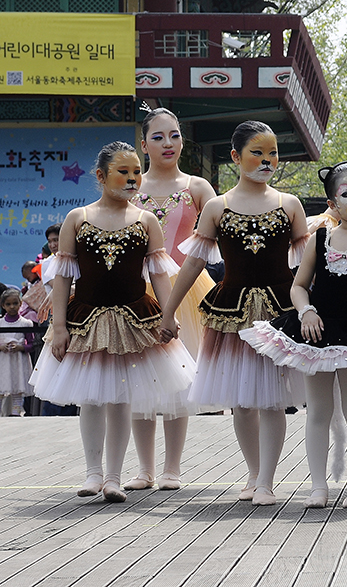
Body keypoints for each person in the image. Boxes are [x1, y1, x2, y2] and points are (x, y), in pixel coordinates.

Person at [32, 142, 194, 502]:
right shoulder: (78, 218)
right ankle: (92, 473)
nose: (133, 178)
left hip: (135, 320)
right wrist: (58, 327)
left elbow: (159, 275)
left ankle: (113, 477)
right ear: (101, 176)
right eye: (124, 172)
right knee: (91, 398)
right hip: (85, 319)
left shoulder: (145, 220)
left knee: (121, 397)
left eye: (136, 172)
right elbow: (62, 278)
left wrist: (168, 316)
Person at [240, 155, 347, 508]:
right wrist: (306, 311)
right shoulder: (320, 238)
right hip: (316, 332)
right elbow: (299, 286)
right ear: (332, 203)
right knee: (318, 411)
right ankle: (318, 487)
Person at [160, 121, 308, 505]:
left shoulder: (289, 204)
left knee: (275, 399)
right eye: (257, 152)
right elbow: (192, 265)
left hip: (280, 312)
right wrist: (168, 311)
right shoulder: (216, 207)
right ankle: (254, 473)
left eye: (272, 152)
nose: (266, 160)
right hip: (232, 314)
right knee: (242, 401)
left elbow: (307, 266)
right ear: (235, 157)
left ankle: (268, 481)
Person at [127, 106, 217, 491]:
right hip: (136, 291)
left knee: (179, 377)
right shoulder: (129, 187)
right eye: (159, 137)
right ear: (144, 144)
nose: (168, 144)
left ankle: (172, 468)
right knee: (139, 377)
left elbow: (222, 232)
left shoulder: (197, 187)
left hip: (186, 287)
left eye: (175, 135)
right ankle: (144, 469)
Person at [0, 289, 35, 416]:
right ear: (3, 305)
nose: (12, 307)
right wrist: (2, 347)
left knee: (17, 389)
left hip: (18, 363)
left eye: (15, 303)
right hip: (3, 362)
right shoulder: (0, 323)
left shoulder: (26, 323)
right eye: (8, 304)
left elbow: (32, 344)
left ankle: (16, 413)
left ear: (20, 303)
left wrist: (21, 348)